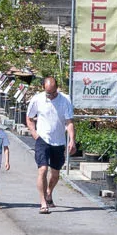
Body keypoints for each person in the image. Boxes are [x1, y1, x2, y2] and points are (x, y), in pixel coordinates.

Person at [25, 74, 77, 213]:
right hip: (42, 139)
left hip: (59, 140)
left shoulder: (65, 100)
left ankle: (49, 191)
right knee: (42, 170)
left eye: (53, 92)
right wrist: (34, 133)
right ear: (44, 89)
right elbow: (29, 118)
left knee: (55, 174)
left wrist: (71, 139)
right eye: (48, 93)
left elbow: (69, 121)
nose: (51, 95)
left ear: (57, 88)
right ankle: (43, 202)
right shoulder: (37, 99)